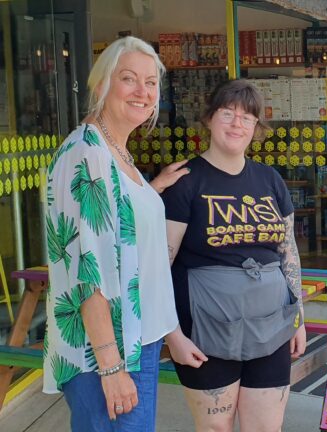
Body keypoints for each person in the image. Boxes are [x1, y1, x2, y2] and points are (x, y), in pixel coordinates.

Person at [44, 36, 206, 431]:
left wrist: (171, 334)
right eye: (129, 79)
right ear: (102, 86)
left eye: (151, 82)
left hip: (137, 342)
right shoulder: (87, 155)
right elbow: (89, 272)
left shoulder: (116, 151)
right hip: (103, 352)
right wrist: (111, 367)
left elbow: (128, 245)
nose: (143, 92)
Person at [162, 79, 307, 432]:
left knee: (265, 427)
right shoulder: (185, 181)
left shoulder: (270, 179)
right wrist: (173, 336)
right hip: (205, 331)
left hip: (272, 326)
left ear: (256, 127)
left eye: (247, 117)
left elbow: (288, 252)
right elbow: (159, 265)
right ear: (210, 118)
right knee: (217, 428)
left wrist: (298, 314)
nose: (237, 124)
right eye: (228, 114)